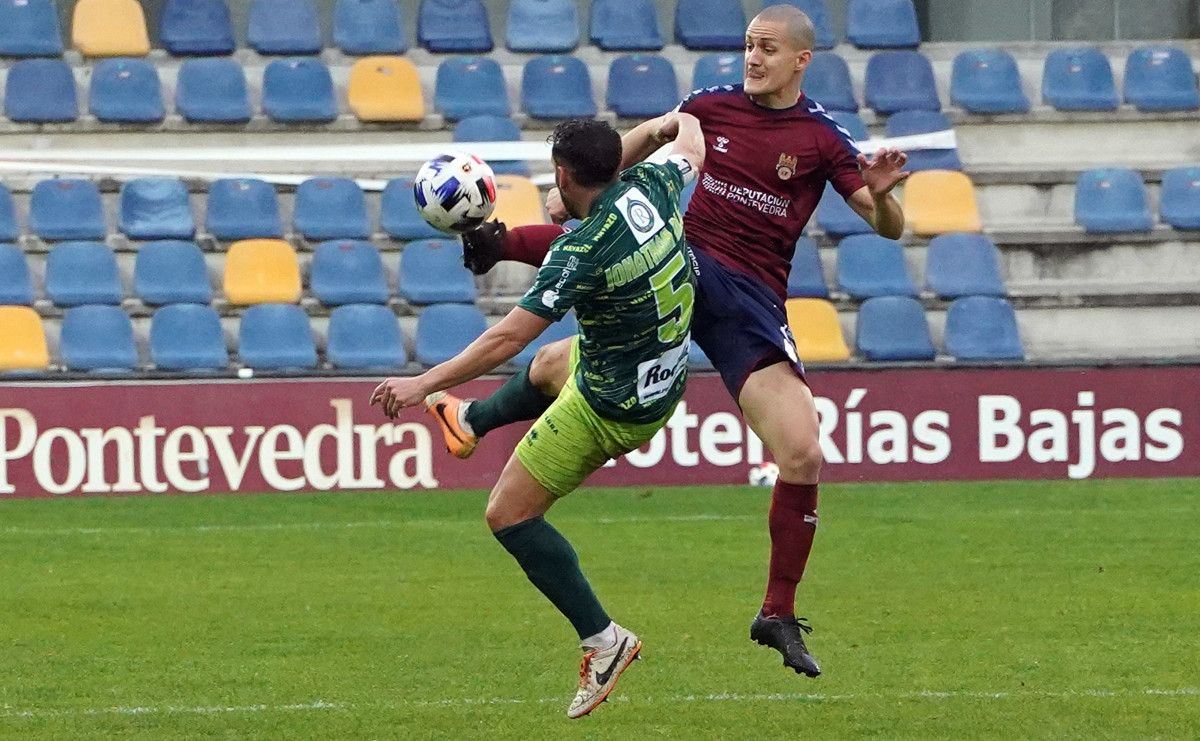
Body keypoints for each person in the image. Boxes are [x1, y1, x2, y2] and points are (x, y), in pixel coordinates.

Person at [429, 4, 911, 678]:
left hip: (749, 301)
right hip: (680, 264)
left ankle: (776, 611)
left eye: (767, 49)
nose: (752, 59)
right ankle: (473, 396)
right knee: (556, 350)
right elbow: (642, 146)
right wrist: (576, 195)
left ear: (802, 59)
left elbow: (887, 225)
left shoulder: (822, 138)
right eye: (748, 46)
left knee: (802, 452)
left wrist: (887, 199)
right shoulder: (711, 105)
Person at [372, 115, 705, 718]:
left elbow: (504, 339)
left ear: (561, 174)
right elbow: (690, 142)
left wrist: (422, 384)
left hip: (614, 405)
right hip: (661, 364)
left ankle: (605, 641)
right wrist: (669, 121)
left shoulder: (581, 248)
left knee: (508, 516)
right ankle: (470, 422)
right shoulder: (653, 186)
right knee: (554, 360)